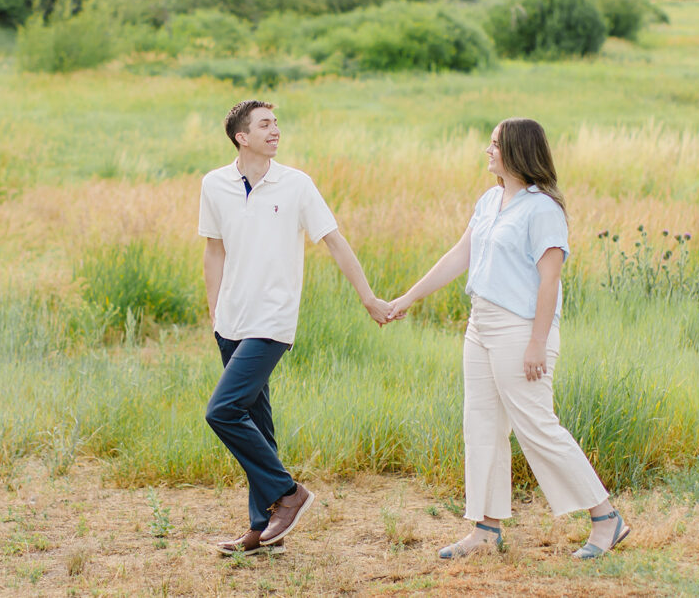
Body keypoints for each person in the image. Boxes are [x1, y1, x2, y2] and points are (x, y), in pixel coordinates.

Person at [387, 118, 630, 560]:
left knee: (537, 426)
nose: (487, 150)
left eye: (495, 144)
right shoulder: (489, 200)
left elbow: (550, 280)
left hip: (521, 329)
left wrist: (537, 342)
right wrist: (408, 297)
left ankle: (605, 518)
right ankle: (485, 529)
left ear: (518, 151)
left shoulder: (543, 209)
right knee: (481, 425)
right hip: (480, 324)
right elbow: (460, 255)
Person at [199, 100, 391, 556]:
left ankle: (290, 494)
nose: (276, 130)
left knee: (222, 412)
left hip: (272, 319)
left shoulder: (297, 185)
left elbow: (335, 242)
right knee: (257, 429)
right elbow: (214, 251)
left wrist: (369, 298)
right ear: (241, 137)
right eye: (265, 124)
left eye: (277, 123)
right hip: (231, 321)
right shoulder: (215, 184)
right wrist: (214, 313)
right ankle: (263, 533)